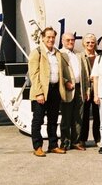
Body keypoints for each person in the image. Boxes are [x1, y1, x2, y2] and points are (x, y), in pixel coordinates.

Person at [27, 27, 74, 157]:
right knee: (38, 120)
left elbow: (57, 72)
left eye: (53, 37)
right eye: (48, 37)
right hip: (42, 91)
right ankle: (37, 147)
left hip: (55, 90)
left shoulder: (57, 53)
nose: (51, 39)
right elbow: (34, 74)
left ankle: (53, 145)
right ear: (42, 38)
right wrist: (39, 93)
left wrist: (65, 81)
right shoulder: (37, 53)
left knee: (53, 120)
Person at [59, 32, 86, 151]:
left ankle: (76, 141)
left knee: (78, 116)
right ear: (62, 41)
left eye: (72, 40)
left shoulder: (78, 54)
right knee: (66, 117)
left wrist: (86, 89)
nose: (70, 42)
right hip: (67, 89)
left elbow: (84, 72)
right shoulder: (59, 54)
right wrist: (65, 82)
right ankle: (65, 142)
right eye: (68, 40)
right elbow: (57, 72)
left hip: (79, 88)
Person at [78, 33, 101, 147]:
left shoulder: (99, 56)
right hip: (86, 89)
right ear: (83, 43)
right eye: (88, 42)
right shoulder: (80, 56)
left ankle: (98, 138)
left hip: (97, 89)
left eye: (92, 42)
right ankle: (83, 139)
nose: (90, 44)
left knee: (98, 115)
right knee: (85, 115)